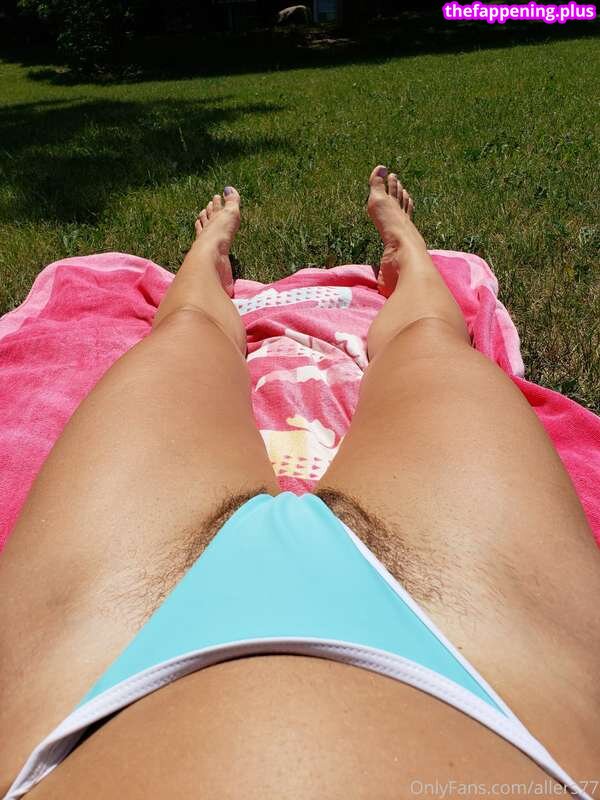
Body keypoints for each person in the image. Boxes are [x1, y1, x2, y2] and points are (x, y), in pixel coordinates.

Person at [1, 166, 598, 799]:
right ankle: (239, 257)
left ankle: (373, 251)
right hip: (498, 671)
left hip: (85, 683)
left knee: (192, 330)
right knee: (423, 337)